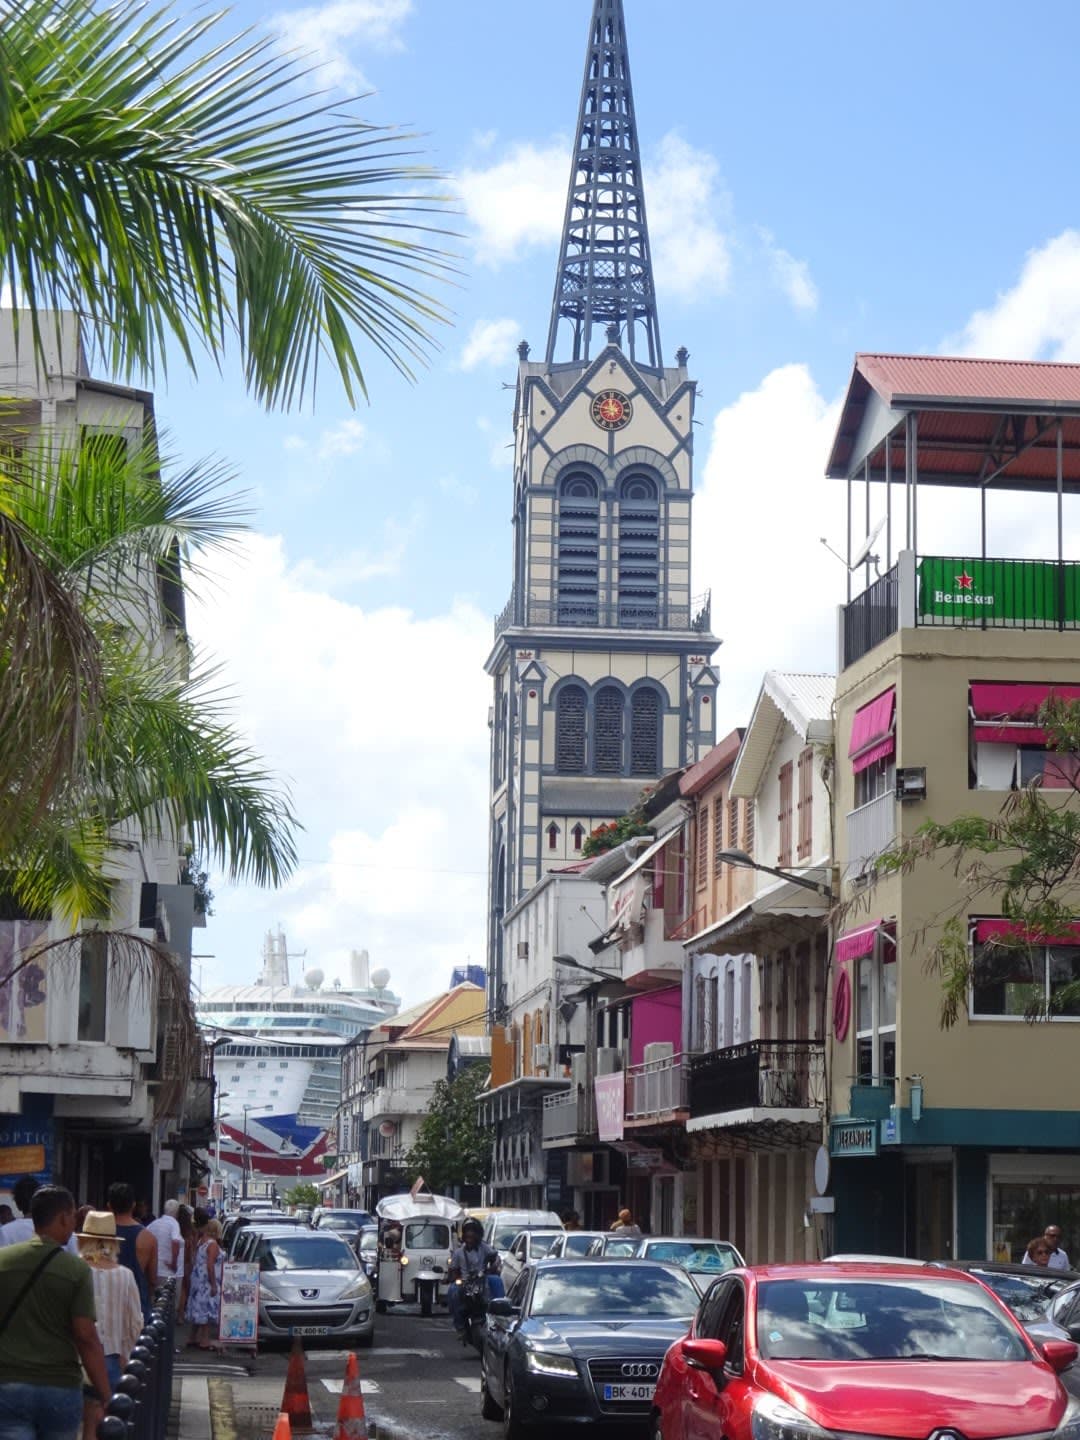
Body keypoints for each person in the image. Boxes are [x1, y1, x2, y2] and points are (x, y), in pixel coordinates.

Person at [0, 1185, 111, 1440]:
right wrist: (106, 1394)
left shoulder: (3, 1261)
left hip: (8, 1384)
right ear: (63, 1217)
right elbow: (85, 1336)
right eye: (73, 1216)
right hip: (58, 1386)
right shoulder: (76, 1270)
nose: (74, 1222)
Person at [75, 1211, 142, 1436]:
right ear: (112, 1244)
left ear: (84, 1240)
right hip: (111, 1359)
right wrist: (127, 1357)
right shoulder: (125, 1275)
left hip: (75, 1358)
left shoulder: (74, 1271)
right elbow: (134, 1323)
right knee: (105, 1423)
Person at [107, 1183, 156, 1320]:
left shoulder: (97, 1236)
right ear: (133, 1205)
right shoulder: (148, 1237)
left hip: (105, 1306)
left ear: (109, 1205)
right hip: (136, 1306)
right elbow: (152, 1279)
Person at [447, 1219, 503, 1336]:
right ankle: (460, 1326)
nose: (470, 1234)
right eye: (467, 1231)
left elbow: (496, 1258)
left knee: (496, 1282)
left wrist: (493, 1267)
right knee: (453, 1291)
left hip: (482, 1281)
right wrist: (452, 1277)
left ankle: (500, 1320)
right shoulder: (458, 1253)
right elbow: (452, 1270)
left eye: (473, 1231)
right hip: (464, 1283)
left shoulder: (484, 1248)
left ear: (478, 1234)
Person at [185, 1218, 221, 1350]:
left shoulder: (201, 1241)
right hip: (206, 1281)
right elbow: (210, 1265)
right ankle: (204, 1340)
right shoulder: (213, 1244)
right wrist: (213, 1284)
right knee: (206, 1308)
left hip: (197, 1279)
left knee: (198, 1307)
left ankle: (192, 1337)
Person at [147, 1200, 182, 1282]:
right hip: (167, 1271)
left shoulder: (155, 1223)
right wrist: (174, 1264)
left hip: (153, 1270)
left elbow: (144, 1235)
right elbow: (175, 1242)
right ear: (177, 1212)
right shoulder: (174, 1224)